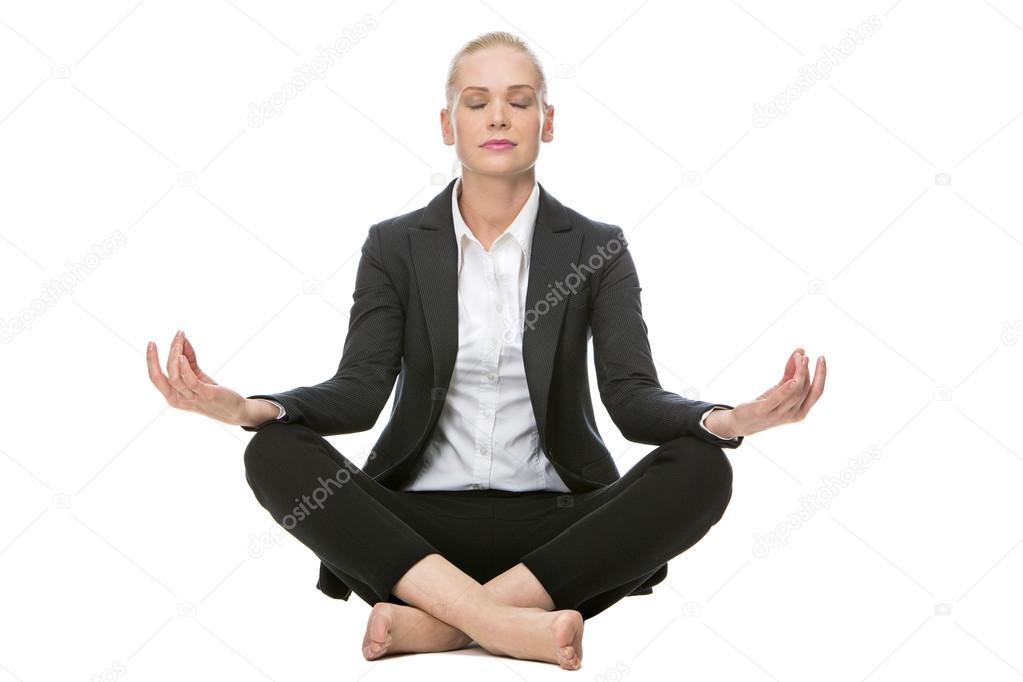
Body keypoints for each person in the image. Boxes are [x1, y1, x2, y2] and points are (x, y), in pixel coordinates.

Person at [146, 31, 825, 671]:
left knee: (702, 469)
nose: (498, 116)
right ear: (448, 126)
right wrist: (246, 406)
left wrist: (727, 420)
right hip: (414, 533)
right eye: (476, 102)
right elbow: (357, 392)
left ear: (546, 122)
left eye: (518, 101)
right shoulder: (394, 246)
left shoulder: (595, 247)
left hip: (557, 531)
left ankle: (441, 625)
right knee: (271, 448)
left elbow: (631, 399)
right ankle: (506, 626)